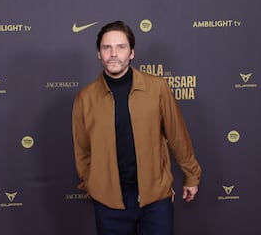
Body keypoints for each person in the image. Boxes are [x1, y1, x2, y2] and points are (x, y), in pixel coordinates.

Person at [72, 20, 202, 235]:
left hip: (155, 200)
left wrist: (192, 175)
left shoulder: (157, 88)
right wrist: (94, 185)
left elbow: (178, 136)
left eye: (121, 47)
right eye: (107, 47)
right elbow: (82, 150)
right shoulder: (85, 98)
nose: (113, 53)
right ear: (99, 53)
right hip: (108, 204)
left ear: (131, 52)